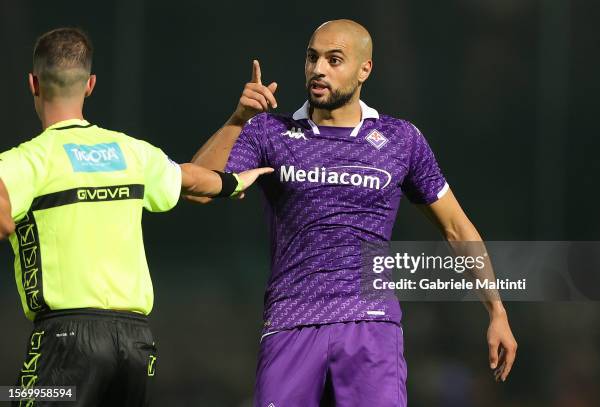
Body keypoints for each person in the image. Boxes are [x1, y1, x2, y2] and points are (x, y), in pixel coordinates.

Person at [191, 19, 517, 406]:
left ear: (365, 69)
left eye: (334, 60)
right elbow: (199, 190)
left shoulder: (400, 139)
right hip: (291, 321)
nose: (318, 69)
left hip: (371, 324)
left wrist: (497, 310)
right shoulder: (269, 132)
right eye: (312, 58)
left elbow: (457, 228)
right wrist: (238, 119)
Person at [0, 27, 271, 406]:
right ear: (90, 84)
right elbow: (192, 180)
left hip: (65, 341)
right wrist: (232, 165)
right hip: (134, 344)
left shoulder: (24, 161)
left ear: (33, 83)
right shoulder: (131, 152)